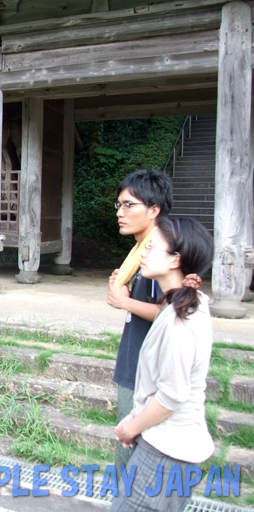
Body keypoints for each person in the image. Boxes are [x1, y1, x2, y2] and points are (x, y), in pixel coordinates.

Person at [112, 216, 214, 511]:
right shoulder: (179, 304)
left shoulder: (179, 322)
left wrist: (131, 429)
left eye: (151, 247)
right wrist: (135, 418)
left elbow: (171, 396)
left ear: (174, 260)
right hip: (164, 445)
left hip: (167, 453)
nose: (142, 253)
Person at [106, 169, 172, 473]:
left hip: (146, 373)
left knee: (132, 461)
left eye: (129, 205)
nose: (121, 213)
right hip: (135, 361)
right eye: (119, 205)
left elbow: (174, 311)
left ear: (154, 209)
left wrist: (125, 301)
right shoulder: (139, 253)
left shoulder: (159, 256)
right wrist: (129, 294)